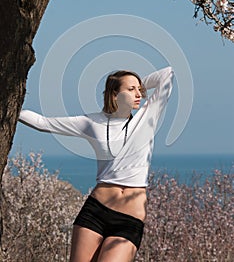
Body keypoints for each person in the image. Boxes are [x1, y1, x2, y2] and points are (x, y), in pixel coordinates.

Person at [19, 66, 174, 262]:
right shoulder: (93, 122)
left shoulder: (147, 117)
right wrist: (9, 105)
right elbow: (43, 123)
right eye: (131, 89)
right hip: (95, 211)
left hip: (129, 219)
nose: (139, 94)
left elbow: (167, 74)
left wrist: (136, 82)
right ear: (115, 94)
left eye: (139, 89)